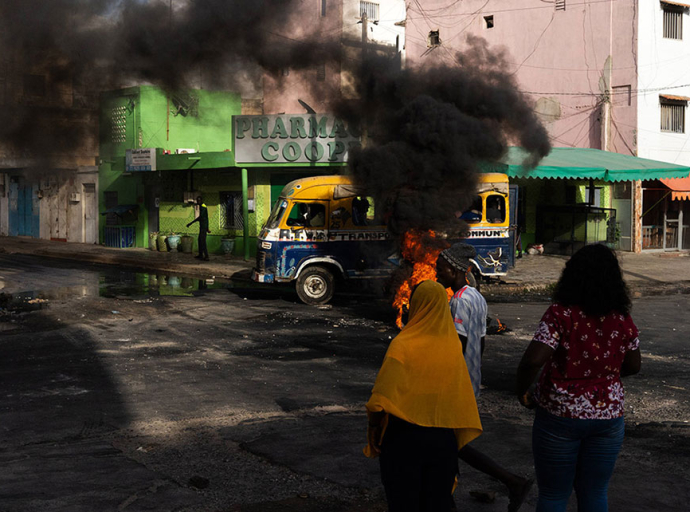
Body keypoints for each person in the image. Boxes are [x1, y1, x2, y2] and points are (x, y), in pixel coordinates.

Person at [516, 244, 641, 512]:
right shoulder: (622, 318)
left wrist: (522, 390)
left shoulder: (561, 314)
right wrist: (603, 374)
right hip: (608, 416)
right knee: (595, 492)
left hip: (560, 415)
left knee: (553, 494)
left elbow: (532, 361)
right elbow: (633, 365)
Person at [365, 280, 483, 512]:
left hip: (403, 440)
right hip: (443, 442)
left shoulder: (403, 344)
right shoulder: (452, 348)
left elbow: (381, 398)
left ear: (417, 305)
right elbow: (458, 397)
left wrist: (373, 427)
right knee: (437, 502)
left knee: (404, 502)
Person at [436, 243, 534, 512]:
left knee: (449, 442)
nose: (436, 274)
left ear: (455, 269)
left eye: (440, 269)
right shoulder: (477, 297)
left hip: (456, 382)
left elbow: (456, 344)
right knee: (450, 442)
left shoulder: (458, 302)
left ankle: (511, 481)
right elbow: (480, 343)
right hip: (471, 378)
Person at [186, 196, 210, 261]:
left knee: (203, 241)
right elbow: (205, 218)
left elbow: (201, 217)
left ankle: (206, 256)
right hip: (203, 226)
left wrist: (191, 223)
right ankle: (200, 255)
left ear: (201, 200)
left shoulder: (203, 206)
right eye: (197, 200)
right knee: (200, 240)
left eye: (199, 200)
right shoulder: (202, 206)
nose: (198, 202)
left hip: (203, 227)